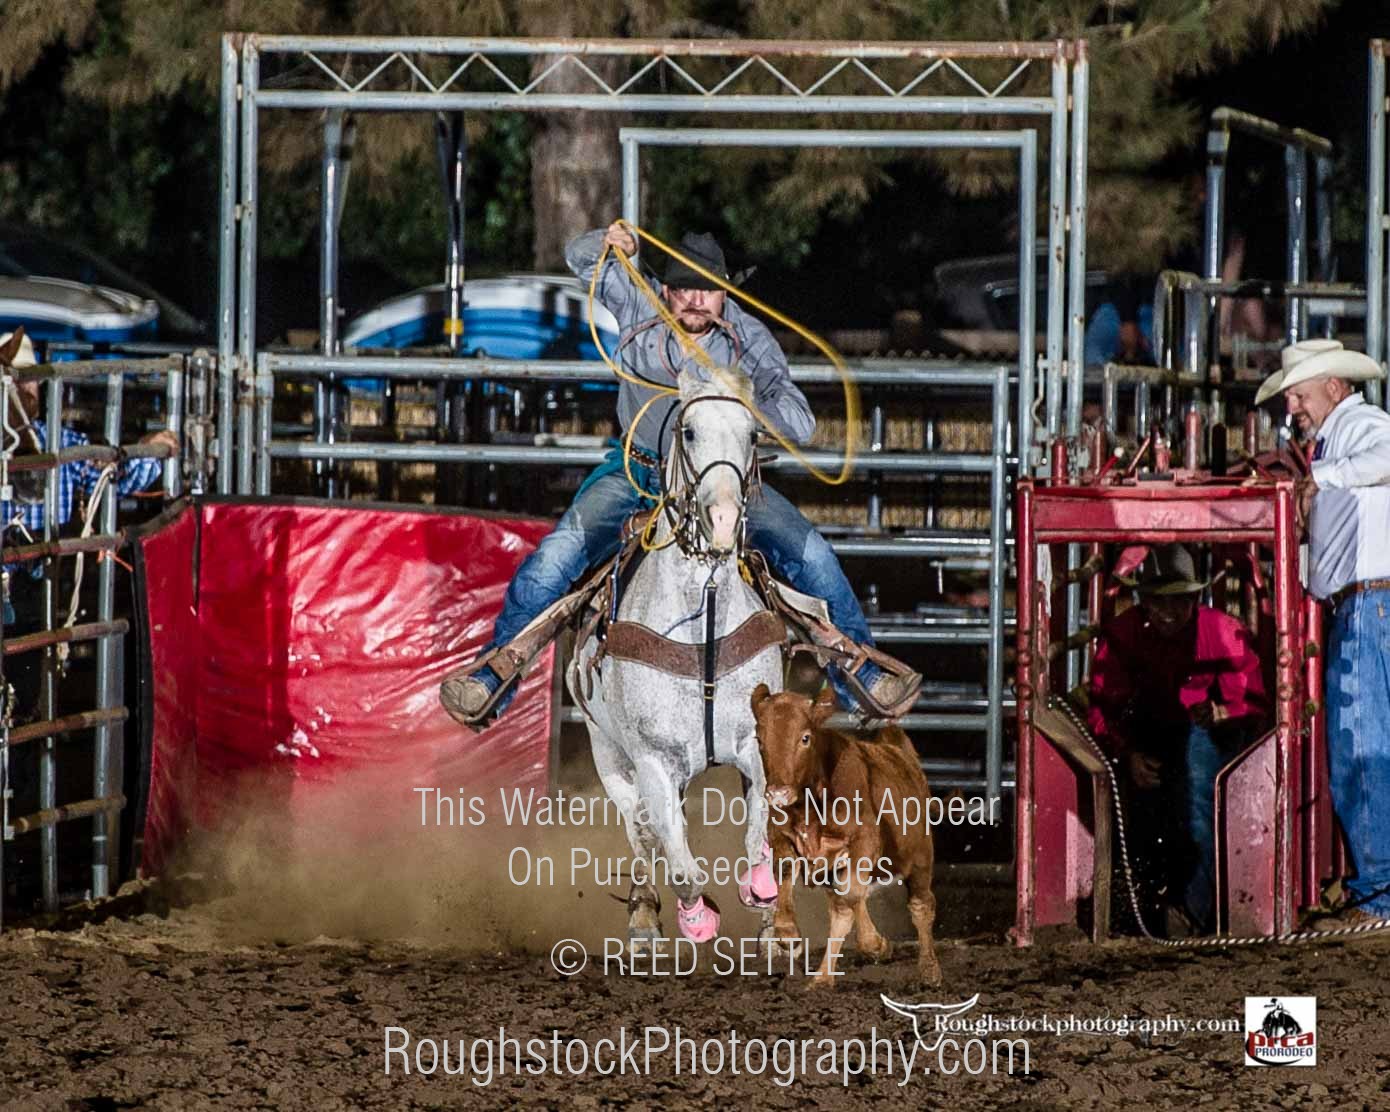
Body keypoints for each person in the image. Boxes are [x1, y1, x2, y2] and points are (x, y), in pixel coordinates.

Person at [439, 224, 919, 727]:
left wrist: (743, 402)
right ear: (664, 288)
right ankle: (495, 675)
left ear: (724, 292)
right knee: (555, 558)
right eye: (683, 287)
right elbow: (580, 257)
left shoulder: (748, 337)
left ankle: (859, 672)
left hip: (723, 481)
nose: (694, 300)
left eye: (707, 289)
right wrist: (612, 240)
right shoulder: (640, 304)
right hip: (637, 472)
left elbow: (801, 420)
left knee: (812, 555)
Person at [1256, 338, 1390, 925]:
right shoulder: (1341, 440)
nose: (1294, 409)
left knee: (1362, 751)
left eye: (1300, 396)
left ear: (1335, 387)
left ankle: (1379, 895)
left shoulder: (1360, 426)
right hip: (1363, 604)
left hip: (1369, 606)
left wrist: (1317, 480)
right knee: (1367, 748)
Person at [1087, 544, 1269, 934]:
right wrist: (1126, 753)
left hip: (1204, 734)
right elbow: (1102, 709)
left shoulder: (1222, 631)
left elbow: (1253, 704)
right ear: (1144, 601)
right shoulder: (1123, 635)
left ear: (1194, 599)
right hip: (1145, 736)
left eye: (1179, 602)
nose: (1169, 614)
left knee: (1199, 795)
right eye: (1159, 602)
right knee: (1136, 809)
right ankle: (1143, 906)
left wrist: (1221, 713)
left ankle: (1191, 910)